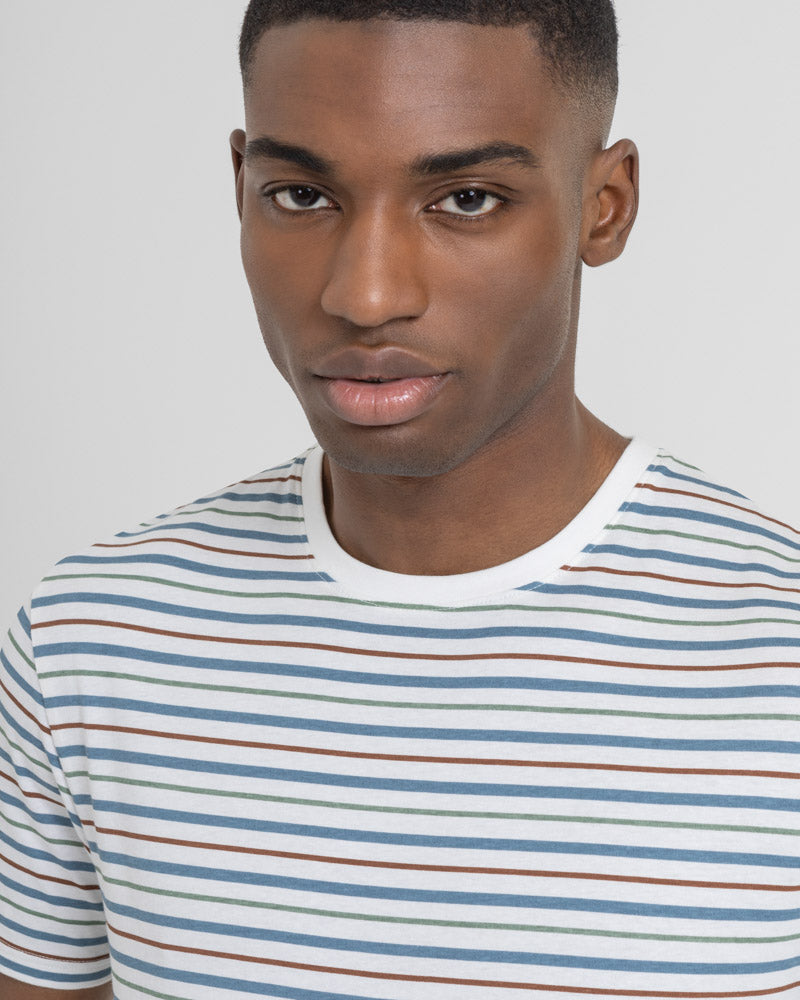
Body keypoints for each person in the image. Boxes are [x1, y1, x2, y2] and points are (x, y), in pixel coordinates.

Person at [1, 1, 798, 997]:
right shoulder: (90, 641)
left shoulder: (779, 656)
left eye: (465, 197)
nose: (366, 295)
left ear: (604, 205)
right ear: (240, 188)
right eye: (300, 195)